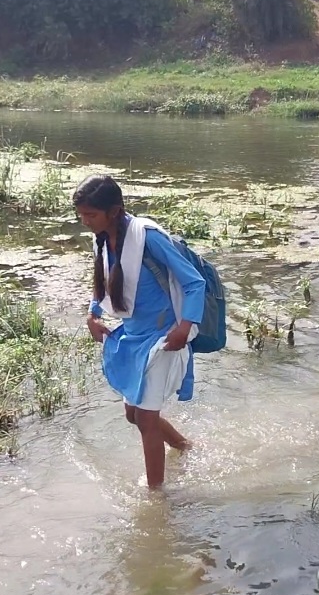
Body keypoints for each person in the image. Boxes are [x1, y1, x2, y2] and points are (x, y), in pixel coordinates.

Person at [74, 174, 206, 490]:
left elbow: (194, 282)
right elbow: (103, 283)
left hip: (163, 337)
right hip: (133, 334)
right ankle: (185, 447)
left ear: (115, 211)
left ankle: (156, 498)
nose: (85, 221)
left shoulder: (148, 238)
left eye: (90, 215)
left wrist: (185, 327)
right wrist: (93, 314)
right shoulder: (103, 238)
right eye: (81, 215)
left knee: (146, 419)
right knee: (133, 414)